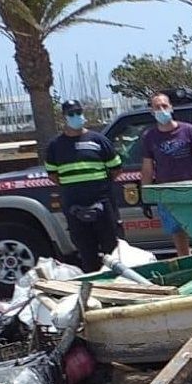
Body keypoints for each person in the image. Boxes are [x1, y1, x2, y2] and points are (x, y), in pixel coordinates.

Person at [45, 99, 124, 273]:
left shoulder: (98, 140)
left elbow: (115, 169)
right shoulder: (55, 146)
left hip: (102, 203)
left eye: (78, 113)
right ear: (64, 117)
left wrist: (97, 184)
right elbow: (53, 175)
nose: (76, 117)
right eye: (71, 114)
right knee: (86, 252)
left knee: (112, 249)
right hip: (74, 206)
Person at [138, 91, 192, 257]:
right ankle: (185, 259)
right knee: (177, 232)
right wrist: (147, 196)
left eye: (164, 106)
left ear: (171, 107)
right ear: (152, 111)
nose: (162, 110)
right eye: (157, 107)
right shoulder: (149, 137)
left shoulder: (188, 130)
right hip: (167, 193)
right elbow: (148, 168)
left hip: (191, 189)